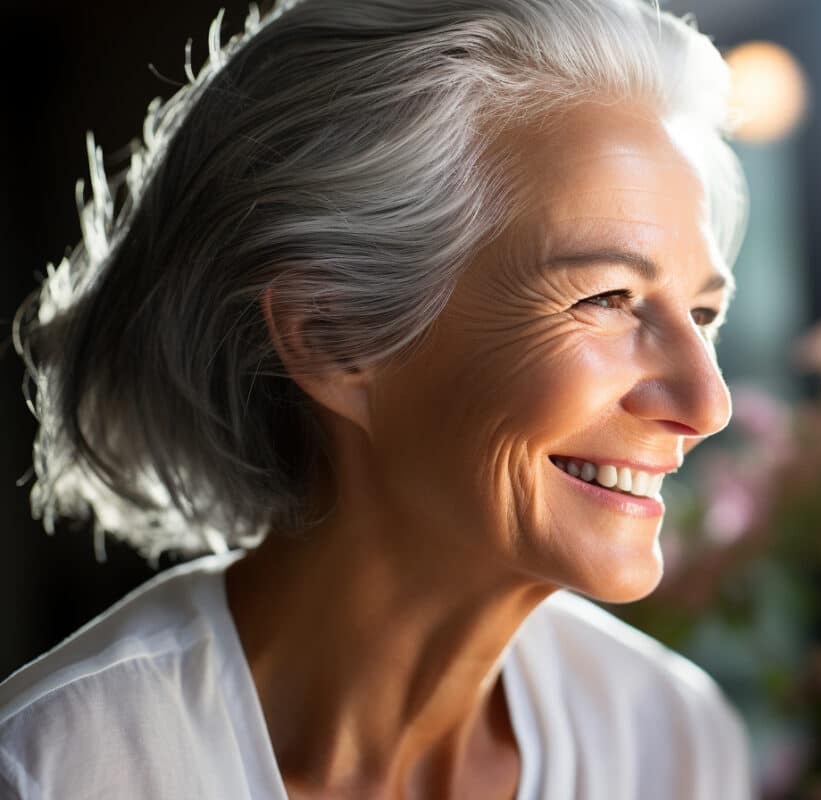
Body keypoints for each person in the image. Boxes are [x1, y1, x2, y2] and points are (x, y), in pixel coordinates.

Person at [0, 0, 752, 797]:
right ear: (335, 338)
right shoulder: (55, 771)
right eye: (607, 297)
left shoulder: (674, 743)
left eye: (703, 314)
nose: (708, 404)